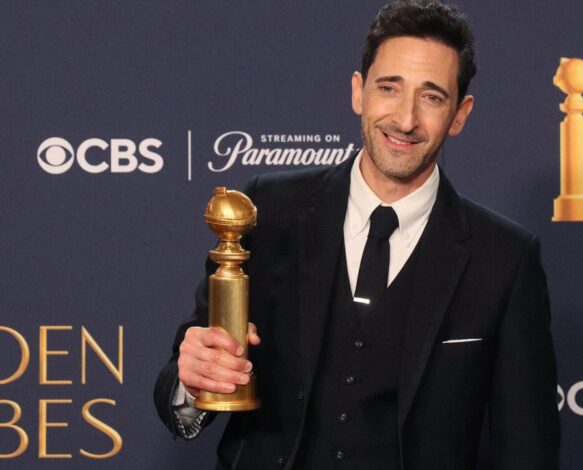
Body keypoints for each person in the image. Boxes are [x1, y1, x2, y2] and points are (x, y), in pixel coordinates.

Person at [154, 1, 560, 468]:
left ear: (460, 114)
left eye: (431, 97)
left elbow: (527, 448)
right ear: (358, 92)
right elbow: (181, 387)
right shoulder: (267, 212)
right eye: (389, 88)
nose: (405, 119)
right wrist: (194, 382)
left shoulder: (504, 258)